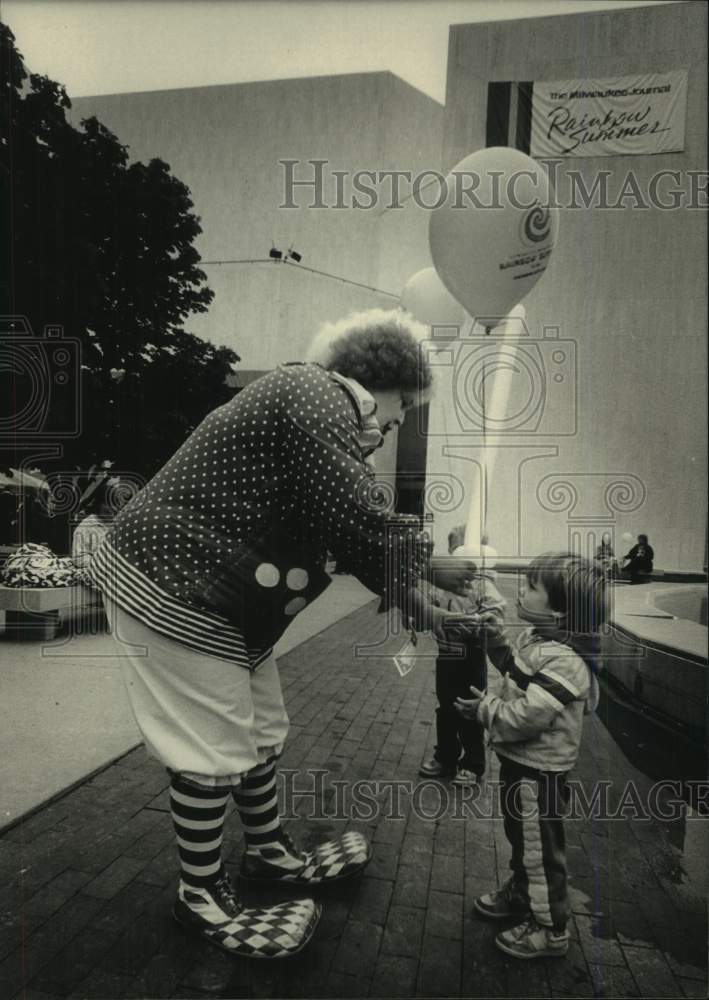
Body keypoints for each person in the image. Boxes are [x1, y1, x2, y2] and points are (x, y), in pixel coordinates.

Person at [89, 308, 449, 959]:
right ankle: (200, 898)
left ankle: (268, 856)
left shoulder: (312, 408)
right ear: (383, 377)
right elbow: (357, 522)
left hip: (215, 601)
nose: (399, 420)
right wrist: (423, 596)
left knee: (259, 727)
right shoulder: (315, 394)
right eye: (404, 403)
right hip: (176, 589)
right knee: (210, 744)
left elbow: (346, 529)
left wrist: (413, 588)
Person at [455, 553, 606, 960]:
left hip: (539, 775)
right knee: (523, 840)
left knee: (541, 853)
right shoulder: (541, 642)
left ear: (559, 608)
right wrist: (495, 640)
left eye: (531, 586)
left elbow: (529, 715)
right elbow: (513, 670)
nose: (521, 590)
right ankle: (525, 894)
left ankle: (551, 929)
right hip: (521, 766)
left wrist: (485, 710)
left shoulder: (565, 660)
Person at [418, 551, 506, 786]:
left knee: (469, 710)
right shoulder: (439, 584)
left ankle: (473, 764)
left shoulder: (482, 585)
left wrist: (486, 620)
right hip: (446, 654)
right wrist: (418, 616)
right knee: (445, 709)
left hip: (472, 655)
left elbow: (497, 610)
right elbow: (425, 607)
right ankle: (446, 756)